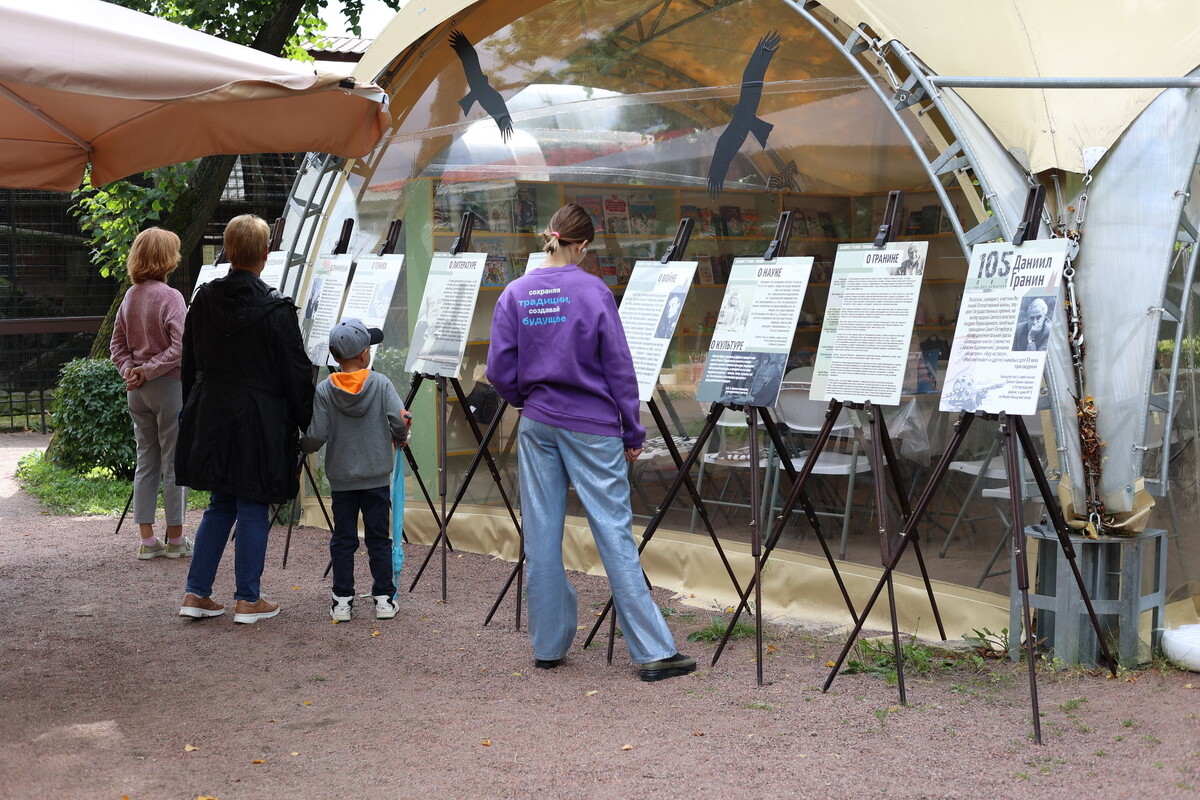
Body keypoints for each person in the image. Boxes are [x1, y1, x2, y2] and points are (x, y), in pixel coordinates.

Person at [487, 203, 696, 682]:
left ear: (550, 238)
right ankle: (652, 652)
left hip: (537, 422)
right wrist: (632, 430)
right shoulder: (594, 291)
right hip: (592, 425)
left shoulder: (515, 293)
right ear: (581, 245)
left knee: (541, 533)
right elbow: (619, 367)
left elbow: (499, 370)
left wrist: (526, 401)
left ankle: (548, 646)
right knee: (612, 530)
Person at [175, 215, 314, 624]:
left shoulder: (202, 301)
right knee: (253, 500)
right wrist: (307, 420)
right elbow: (295, 373)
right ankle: (247, 598)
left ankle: (197, 592)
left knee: (220, 502)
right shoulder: (276, 310)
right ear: (265, 254)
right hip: (258, 417)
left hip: (211, 411)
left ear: (228, 250)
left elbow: (189, 364)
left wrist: (192, 411)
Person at [302, 319, 412, 622]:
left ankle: (342, 601)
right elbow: (400, 420)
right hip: (376, 477)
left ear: (335, 356)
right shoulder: (380, 383)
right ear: (365, 354)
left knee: (343, 539)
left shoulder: (325, 389)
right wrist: (400, 436)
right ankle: (384, 599)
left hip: (342, 479)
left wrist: (303, 446)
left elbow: (317, 434)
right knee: (378, 538)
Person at [110, 228, 190, 561]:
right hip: (168, 386)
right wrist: (150, 370)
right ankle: (176, 540)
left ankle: (147, 540)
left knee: (146, 462)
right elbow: (182, 345)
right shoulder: (170, 297)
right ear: (167, 258)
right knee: (174, 463)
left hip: (136, 391)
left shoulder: (130, 296)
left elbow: (116, 346)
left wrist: (131, 371)